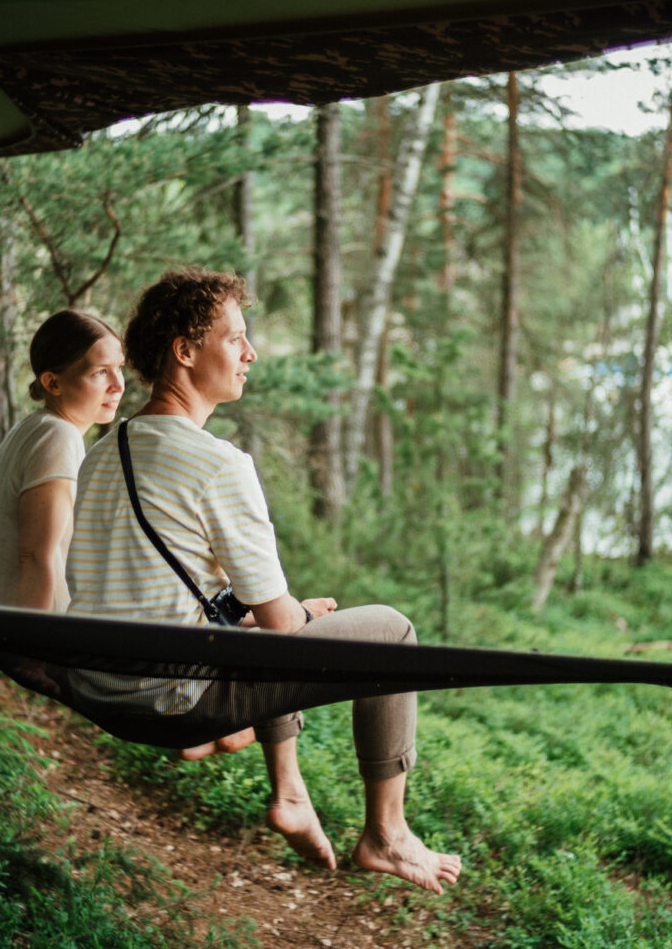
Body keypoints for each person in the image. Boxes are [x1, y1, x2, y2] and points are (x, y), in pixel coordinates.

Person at [65, 268, 463, 894]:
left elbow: (154, 591)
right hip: (170, 701)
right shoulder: (217, 464)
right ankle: (387, 835)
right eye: (235, 338)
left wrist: (285, 613)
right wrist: (298, 613)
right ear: (185, 351)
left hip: (96, 686)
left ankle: (291, 793)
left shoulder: (100, 455)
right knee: (392, 632)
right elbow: (281, 627)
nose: (250, 353)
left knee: (268, 621)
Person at [0, 309, 124, 613]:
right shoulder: (58, 436)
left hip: (6, 620)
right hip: (29, 626)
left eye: (119, 368)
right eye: (100, 372)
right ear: (53, 383)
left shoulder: (35, 428)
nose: (118, 384)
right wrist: (34, 641)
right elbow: (37, 556)